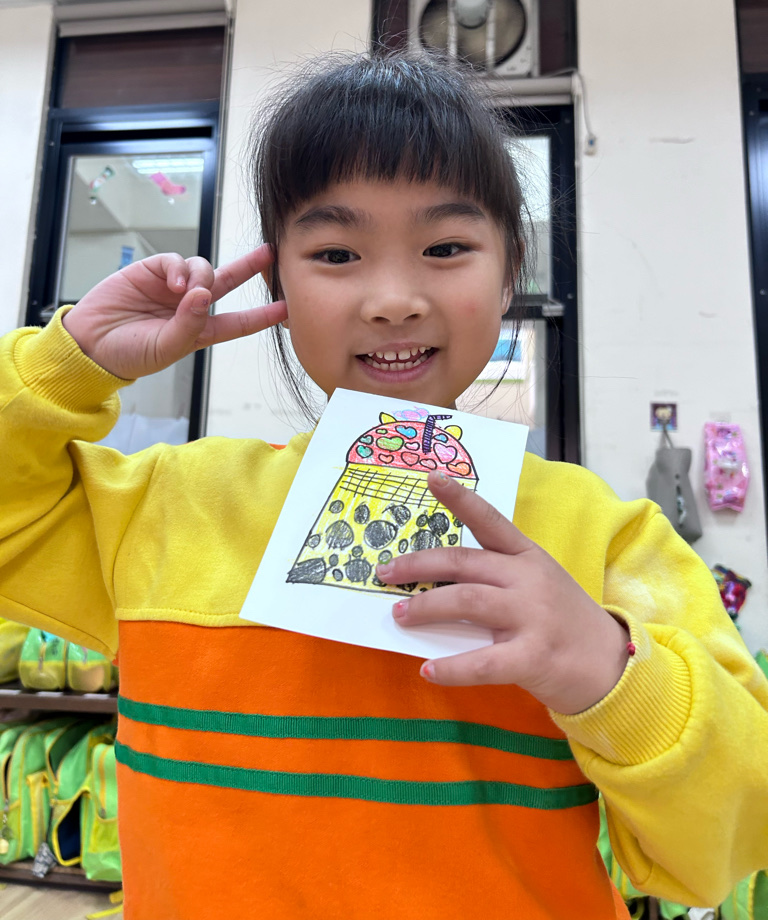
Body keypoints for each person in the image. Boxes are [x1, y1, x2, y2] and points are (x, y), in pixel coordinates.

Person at [1, 53, 767, 920]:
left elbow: (732, 837)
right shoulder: (172, 506)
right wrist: (68, 364)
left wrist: (605, 668)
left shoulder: (604, 536)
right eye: (336, 253)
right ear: (278, 280)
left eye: (446, 248)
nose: (393, 299)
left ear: (510, 269)